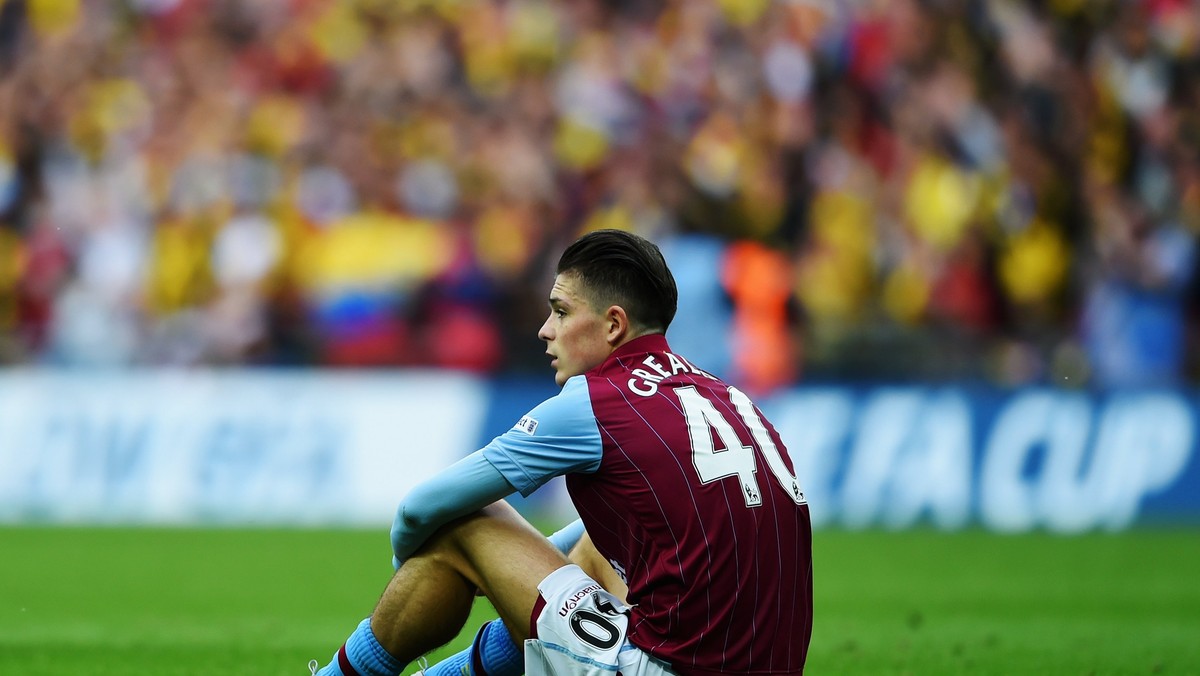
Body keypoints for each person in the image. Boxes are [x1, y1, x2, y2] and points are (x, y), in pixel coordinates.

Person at [310, 229, 813, 676]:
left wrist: (417, 558)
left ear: (614, 325)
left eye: (560, 311)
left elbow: (423, 507)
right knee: (592, 551)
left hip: (666, 667)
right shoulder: (722, 394)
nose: (545, 331)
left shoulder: (598, 401)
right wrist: (522, 565)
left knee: (463, 523)